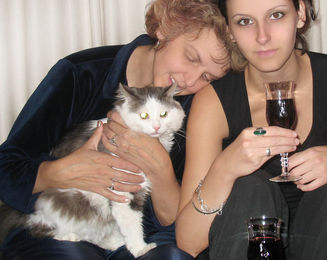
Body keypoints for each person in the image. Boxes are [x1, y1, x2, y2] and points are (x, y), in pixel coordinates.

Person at [0, 0, 231, 259]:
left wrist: (161, 169)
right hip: (59, 222)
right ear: (167, 27)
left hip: (147, 235)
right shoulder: (81, 74)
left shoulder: (199, 106)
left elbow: (182, 225)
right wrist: (58, 172)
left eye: (207, 77)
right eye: (191, 57)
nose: (190, 80)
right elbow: (6, 167)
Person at [176, 0, 327, 259]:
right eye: (244, 22)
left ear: (301, 14)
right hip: (242, 245)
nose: (262, 36)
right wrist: (224, 169)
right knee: (250, 185)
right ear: (229, 32)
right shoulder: (214, 101)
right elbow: (188, 242)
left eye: (277, 15)